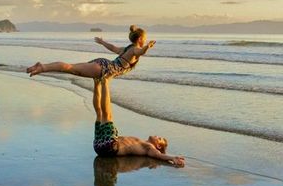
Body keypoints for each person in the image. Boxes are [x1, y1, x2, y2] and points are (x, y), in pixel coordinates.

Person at [92, 78, 185, 167]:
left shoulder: (149, 148)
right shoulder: (142, 143)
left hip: (110, 146)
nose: (157, 136)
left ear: (158, 146)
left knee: (107, 115)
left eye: (159, 138)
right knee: (99, 113)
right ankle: (97, 83)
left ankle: (105, 82)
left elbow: (158, 155)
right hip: (100, 146)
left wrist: (172, 158)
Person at [26, 25, 155, 80]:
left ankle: (42, 67)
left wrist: (102, 42)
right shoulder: (134, 50)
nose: (145, 41)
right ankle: (42, 67)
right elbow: (141, 51)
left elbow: (113, 48)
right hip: (105, 69)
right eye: (144, 39)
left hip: (103, 66)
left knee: (72, 68)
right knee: (71, 68)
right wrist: (147, 47)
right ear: (140, 39)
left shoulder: (128, 49)